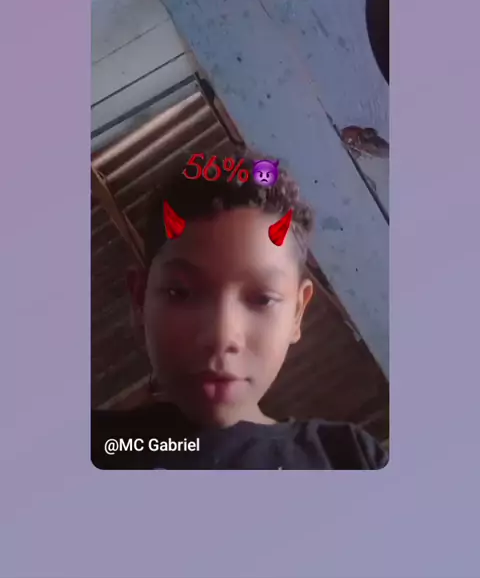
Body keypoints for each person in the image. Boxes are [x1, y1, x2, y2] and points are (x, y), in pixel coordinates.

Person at [91, 156, 387, 470]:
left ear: (297, 313)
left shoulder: (349, 460)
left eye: (262, 299)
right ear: (140, 299)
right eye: (180, 293)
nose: (222, 336)